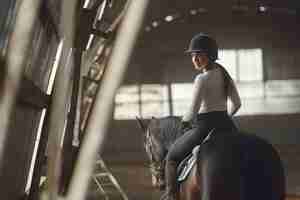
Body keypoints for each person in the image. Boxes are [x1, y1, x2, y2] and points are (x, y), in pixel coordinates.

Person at [161, 33, 242, 200]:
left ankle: (171, 196)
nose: (195, 59)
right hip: (227, 125)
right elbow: (237, 104)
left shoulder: (202, 78)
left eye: (199, 54)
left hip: (204, 128)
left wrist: (184, 122)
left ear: (210, 56)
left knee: (171, 158)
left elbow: (193, 110)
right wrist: (225, 117)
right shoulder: (225, 75)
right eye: (192, 55)